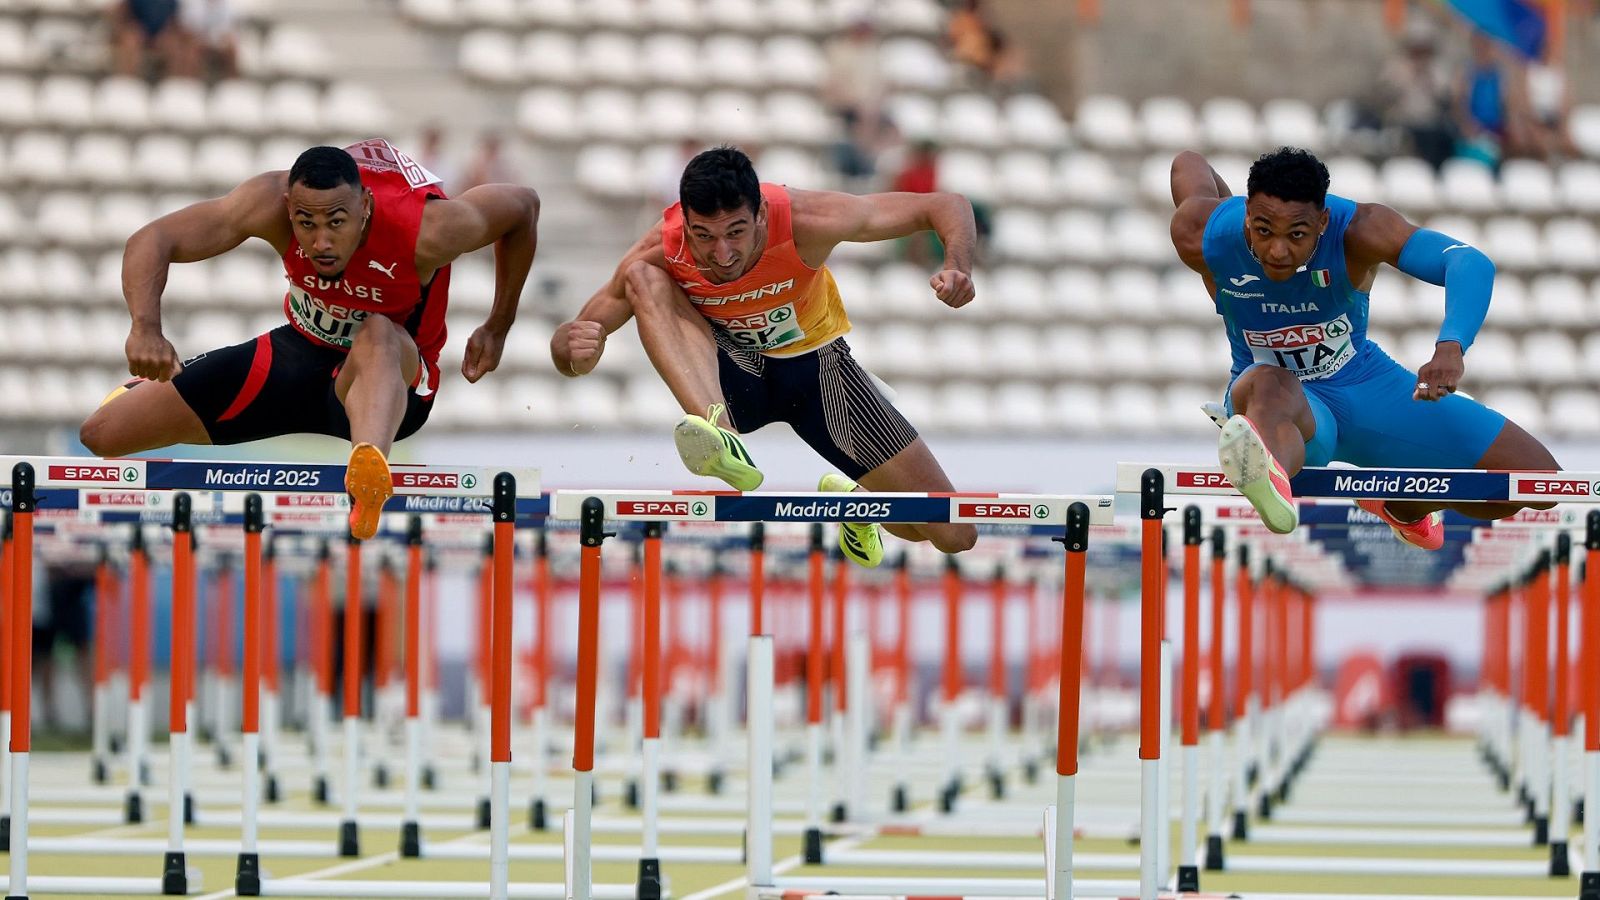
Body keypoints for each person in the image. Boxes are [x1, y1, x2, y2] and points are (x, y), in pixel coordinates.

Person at [78, 140, 540, 540]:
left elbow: (523, 206)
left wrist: (498, 324)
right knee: (102, 434)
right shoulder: (266, 201)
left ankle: (368, 476)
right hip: (297, 355)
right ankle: (144, 393)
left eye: (336, 223)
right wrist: (145, 327)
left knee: (377, 330)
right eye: (305, 223)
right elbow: (153, 238)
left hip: (388, 383)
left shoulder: (431, 229)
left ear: (365, 207)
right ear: (287, 207)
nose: (320, 242)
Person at [550, 146, 978, 566]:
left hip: (819, 371)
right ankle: (720, 436)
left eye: (735, 232)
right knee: (641, 276)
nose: (722, 254)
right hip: (734, 375)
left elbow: (945, 205)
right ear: (688, 222)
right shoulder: (665, 244)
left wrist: (958, 266)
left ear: (761, 216)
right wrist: (572, 353)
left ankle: (854, 503)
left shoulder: (808, 219)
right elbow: (574, 344)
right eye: (704, 236)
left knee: (953, 534)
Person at [1169, 146, 1559, 549]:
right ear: (1248, 214)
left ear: (1322, 222)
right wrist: (1232, 217)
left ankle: (1403, 506)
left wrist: (1450, 347)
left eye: (1297, 235)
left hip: (1363, 384)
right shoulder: (1204, 234)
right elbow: (1188, 162)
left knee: (1538, 481)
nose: (1278, 251)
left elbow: (1468, 262)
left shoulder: (1359, 229)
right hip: (1278, 403)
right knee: (1271, 381)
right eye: (1264, 230)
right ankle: (1268, 474)